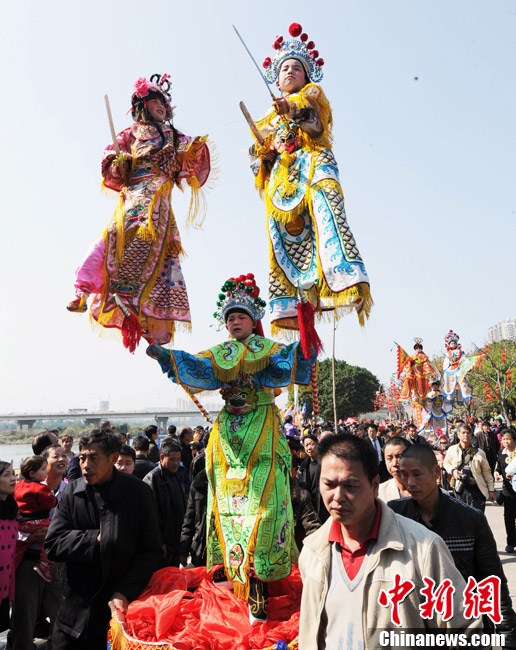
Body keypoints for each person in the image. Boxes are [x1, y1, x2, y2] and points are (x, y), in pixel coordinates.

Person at [146, 273, 313, 621]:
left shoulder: (267, 351)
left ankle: (259, 583)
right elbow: (194, 366)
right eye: (230, 318)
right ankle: (229, 575)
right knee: (223, 503)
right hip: (228, 437)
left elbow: (290, 366)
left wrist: (305, 332)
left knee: (263, 506)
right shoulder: (218, 354)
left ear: (254, 321)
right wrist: (164, 354)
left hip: (261, 428)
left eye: (241, 316)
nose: (234, 321)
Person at [67, 73, 211, 351]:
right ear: (142, 106)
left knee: (161, 263)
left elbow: (193, 160)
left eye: (163, 103)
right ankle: (81, 288)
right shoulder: (128, 135)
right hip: (132, 197)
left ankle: (147, 326)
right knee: (109, 237)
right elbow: (111, 171)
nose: (161, 107)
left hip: (159, 201)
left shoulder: (174, 136)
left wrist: (185, 155)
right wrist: (119, 164)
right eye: (155, 101)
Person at [298, 433, 478, 648]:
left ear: (374, 485)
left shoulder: (422, 548)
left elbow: (464, 630)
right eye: (329, 485)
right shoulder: (313, 552)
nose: (337, 496)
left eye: (351, 486)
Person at [249, 23, 372, 335]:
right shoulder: (267, 117)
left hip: (313, 164)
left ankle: (344, 277)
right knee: (283, 236)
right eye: (285, 68)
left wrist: (291, 109)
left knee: (327, 213)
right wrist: (262, 154)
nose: (290, 72)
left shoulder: (311, 95)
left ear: (306, 75)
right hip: (282, 182)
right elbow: (257, 161)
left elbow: (315, 126)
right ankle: (297, 298)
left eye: (296, 68)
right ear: (276, 79)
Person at [45, 429, 162, 650]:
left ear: (113, 458)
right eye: (82, 458)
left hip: (118, 614)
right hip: (73, 616)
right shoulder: (72, 492)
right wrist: (94, 540)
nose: (85, 464)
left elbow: (151, 551)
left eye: (93, 457)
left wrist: (125, 591)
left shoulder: (138, 493)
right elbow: (53, 543)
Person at [389, 444, 516, 645]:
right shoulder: (394, 516)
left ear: (436, 473)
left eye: (417, 474)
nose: (410, 482)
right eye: (404, 475)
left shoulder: (470, 519)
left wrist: (507, 632)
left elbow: (492, 580)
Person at [143, 439, 187, 567]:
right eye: (172, 459)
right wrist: (159, 541)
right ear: (162, 457)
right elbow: (150, 515)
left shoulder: (178, 475)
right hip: (163, 541)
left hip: (177, 538)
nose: (176, 463)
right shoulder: (153, 478)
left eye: (178, 459)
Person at [14, 456, 57, 582]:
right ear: (32, 473)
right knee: (52, 533)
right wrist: (54, 499)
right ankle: (44, 564)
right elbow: (50, 503)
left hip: (23, 523)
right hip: (38, 522)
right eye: (43, 469)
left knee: (19, 549)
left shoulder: (19, 485)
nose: (47, 472)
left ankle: (12, 567)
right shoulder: (41, 488)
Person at [443, 423, 494, 512]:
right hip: (460, 489)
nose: (466, 435)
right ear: (458, 435)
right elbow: (446, 463)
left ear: (471, 435)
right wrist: (453, 471)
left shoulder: (479, 453)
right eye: (463, 433)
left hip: (477, 490)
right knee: (463, 521)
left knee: (477, 519)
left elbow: (487, 472)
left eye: (468, 433)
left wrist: (491, 490)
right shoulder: (452, 450)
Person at [0, 462, 17, 633]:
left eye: (13, 474)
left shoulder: (12, 510)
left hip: (5, 586)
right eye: (6, 475)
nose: (13, 478)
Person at [297, 434, 329, 523]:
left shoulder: (326, 464)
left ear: (317, 444)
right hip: (310, 508)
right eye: (306, 445)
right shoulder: (302, 468)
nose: (309, 448)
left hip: (324, 507)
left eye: (311, 444)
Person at [494, 428, 516, 552]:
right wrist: (497, 473)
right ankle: (511, 542)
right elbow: (498, 466)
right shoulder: (501, 453)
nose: (506, 441)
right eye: (504, 439)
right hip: (507, 490)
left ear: (514, 440)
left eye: (508, 439)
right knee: (509, 517)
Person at [442, 329, 475, 403]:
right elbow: (446, 362)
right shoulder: (448, 353)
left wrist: (468, 366)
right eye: (451, 343)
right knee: (448, 379)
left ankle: (465, 395)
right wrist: (445, 369)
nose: (453, 344)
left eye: (454, 343)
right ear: (449, 345)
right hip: (451, 369)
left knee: (462, 379)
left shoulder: (461, 352)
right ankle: (449, 395)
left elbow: (464, 360)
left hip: (459, 368)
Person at [378, 436, 411, 501]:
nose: (394, 463)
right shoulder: (379, 492)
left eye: (399, 456)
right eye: (389, 458)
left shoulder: (427, 487)